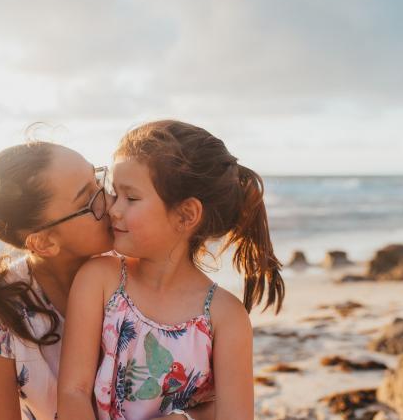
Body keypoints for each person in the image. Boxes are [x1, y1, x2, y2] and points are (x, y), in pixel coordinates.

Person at [0, 141, 215, 420]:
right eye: (90, 200)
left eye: (99, 181)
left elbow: (210, 400)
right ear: (45, 243)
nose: (112, 202)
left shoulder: (141, 269)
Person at [58, 120, 285, 420]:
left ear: (186, 214)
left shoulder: (225, 317)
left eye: (132, 197)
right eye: (115, 191)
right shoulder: (99, 278)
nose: (113, 207)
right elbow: (73, 391)